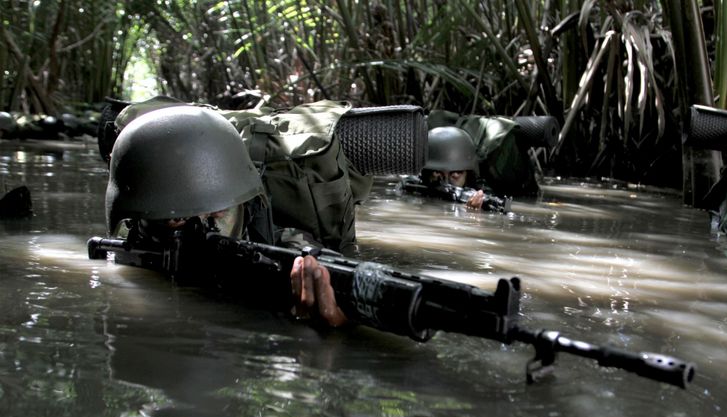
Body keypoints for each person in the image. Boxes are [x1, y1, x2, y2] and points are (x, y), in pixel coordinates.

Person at [106, 104, 347, 327]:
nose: (203, 231)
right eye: (177, 218)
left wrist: (336, 318)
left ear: (245, 206)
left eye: (218, 212)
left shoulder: (290, 251)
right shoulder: (132, 252)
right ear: (137, 221)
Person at [398, 126, 507, 211]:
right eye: (437, 173)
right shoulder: (412, 185)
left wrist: (473, 217)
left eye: (455, 174)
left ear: (468, 174)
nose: (446, 182)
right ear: (426, 172)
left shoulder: (482, 194)